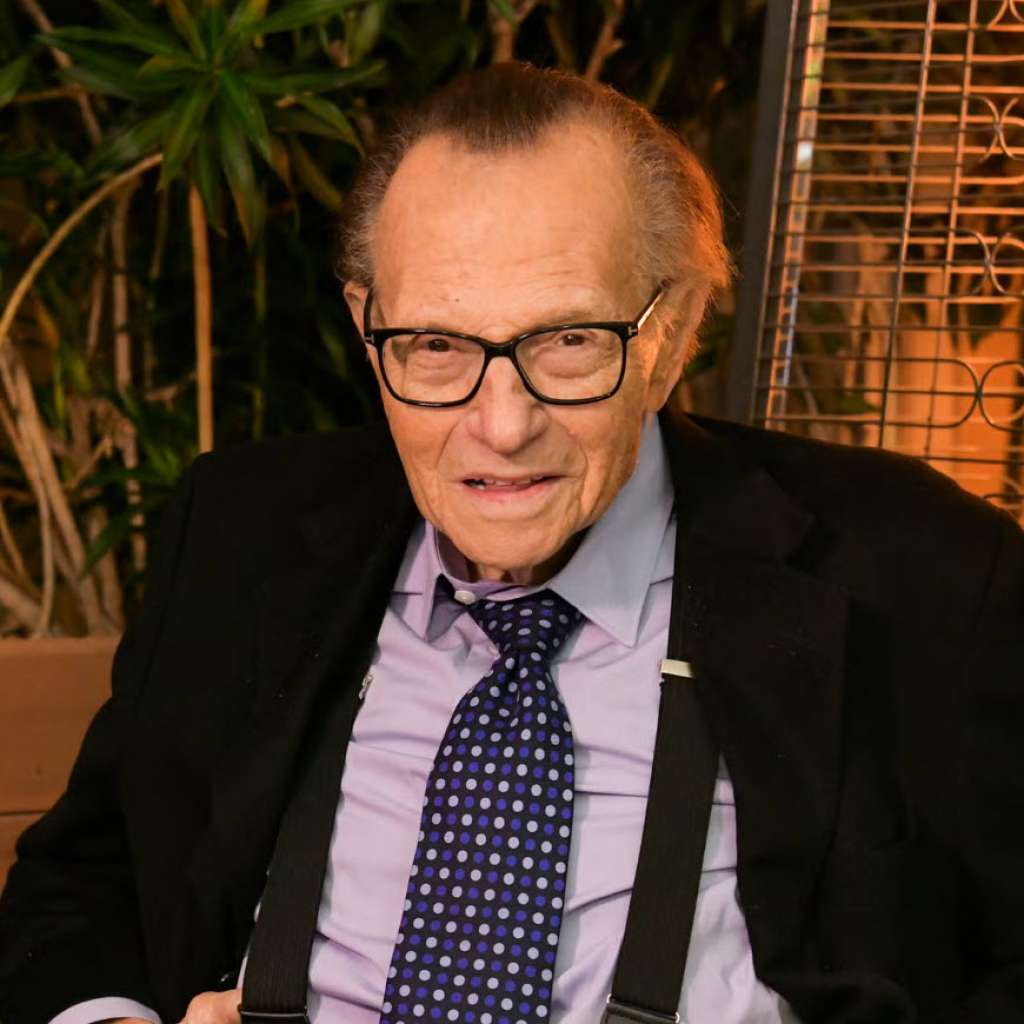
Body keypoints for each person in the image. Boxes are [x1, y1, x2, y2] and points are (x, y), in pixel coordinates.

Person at [1, 62, 1022, 1024]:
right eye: (436, 346)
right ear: (367, 326)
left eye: (568, 340)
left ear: (671, 333)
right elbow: (88, 879)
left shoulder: (923, 575)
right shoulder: (242, 531)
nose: (500, 426)